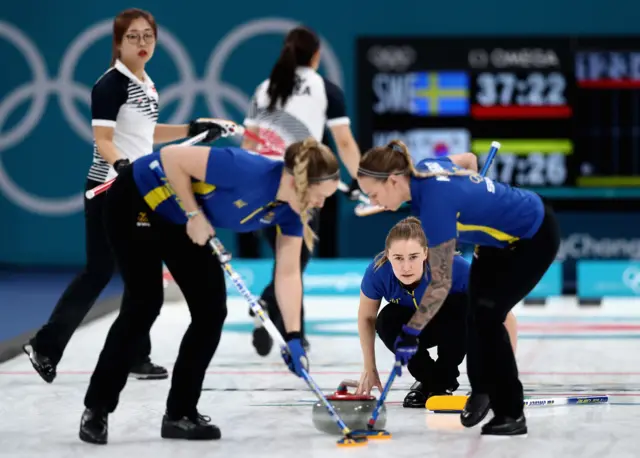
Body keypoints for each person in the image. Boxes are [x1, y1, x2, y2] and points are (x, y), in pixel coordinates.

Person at [78, 133, 341, 445]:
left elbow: (287, 273)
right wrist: (193, 214)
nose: (321, 204)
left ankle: (180, 414)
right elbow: (173, 157)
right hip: (139, 197)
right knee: (144, 301)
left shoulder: (294, 212)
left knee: (211, 310)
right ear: (299, 180)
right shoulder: (246, 169)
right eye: (319, 194)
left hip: (181, 218)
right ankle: (96, 409)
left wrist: (293, 337)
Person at [22, 8, 222, 383]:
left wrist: (192, 127)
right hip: (109, 190)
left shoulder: (145, 83)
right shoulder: (110, 84)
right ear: (118, 42)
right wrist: (125, 168)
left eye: (148, 36)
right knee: (100, 271)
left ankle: (133, 354)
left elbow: (148, 133)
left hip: (136, 190)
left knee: (139, 274)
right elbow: (103, 141)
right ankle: (45, 345)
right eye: (133, 37)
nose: (142, 43)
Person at [356, 140, 560, 436]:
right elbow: (467, 160)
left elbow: (439, 285)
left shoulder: (435, 208)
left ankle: (510, 411)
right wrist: (480, 203)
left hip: (533, 234)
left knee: (489, 315)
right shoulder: (425, 170)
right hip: (496, 240)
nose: (374, 202)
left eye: (374, 194)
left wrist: (411, 333)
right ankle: (482, 390)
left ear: (393, 180)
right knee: (479, 314)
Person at [238, 25, 362, 357]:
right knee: (293, 261)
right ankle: (269, 304)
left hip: (263, 185)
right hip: (303, 186)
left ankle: (287, 324)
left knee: (288, 260)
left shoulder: (265, 88)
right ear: (316, 56)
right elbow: (345, 143)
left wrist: (244, 185)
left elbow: (248, 144)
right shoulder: (325, 89)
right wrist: (364, 178)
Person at [356, 216, 518, 408]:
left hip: (451, 327)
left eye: (413, 257)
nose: (405, 267)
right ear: (388, 255)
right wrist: (369, 366)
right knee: (386, 319)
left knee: (463, 304)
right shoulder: (378, 272)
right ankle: (433, 382)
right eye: (398, 258)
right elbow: (366, 317)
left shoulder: (454, 267)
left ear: (426, 253)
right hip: (412, 332)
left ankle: (441, 380)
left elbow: (505, 316)